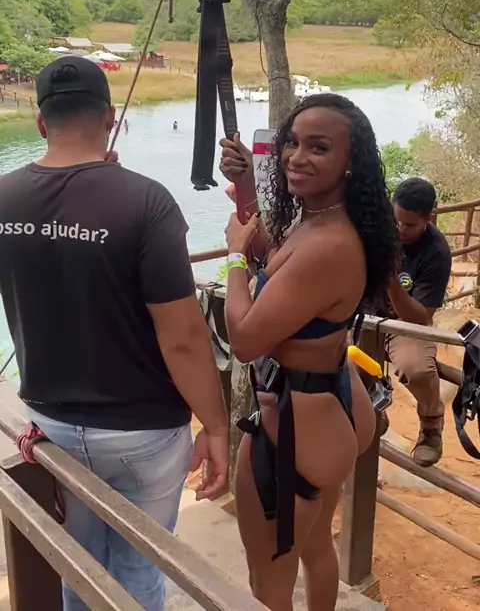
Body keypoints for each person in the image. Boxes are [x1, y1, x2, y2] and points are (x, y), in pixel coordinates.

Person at [0, 57, 228, 611]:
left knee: (80, 567)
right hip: (143, 434)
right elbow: (182, 338)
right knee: (137, 572)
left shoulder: (4, 197)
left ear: (40, 122)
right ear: (110, 117)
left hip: (52, 425)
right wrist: (217, 426)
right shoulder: (145, 202)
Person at [219, 94, 398, 611]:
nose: (297, 157)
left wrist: (233, 258)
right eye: (292, 143)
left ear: (350, 162)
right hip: (329, 404)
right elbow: (280, 263)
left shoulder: (328, 244)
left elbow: (246, 340)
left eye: (318, 147)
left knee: (267, 582)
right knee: (316, 547)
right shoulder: (321, 218)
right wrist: (247, 189)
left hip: (294, 428)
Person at [381, 177, 452, 467]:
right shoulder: (376, 227)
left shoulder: (437, 252)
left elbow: (421, 317)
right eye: (396, 219)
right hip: (364, 314)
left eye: (409, 224)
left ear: (429, 218)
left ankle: (431, 424)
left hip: (405, 324)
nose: (399, 229)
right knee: (330, 351)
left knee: (416, 369)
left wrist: (390, 282)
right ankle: (371, 407)